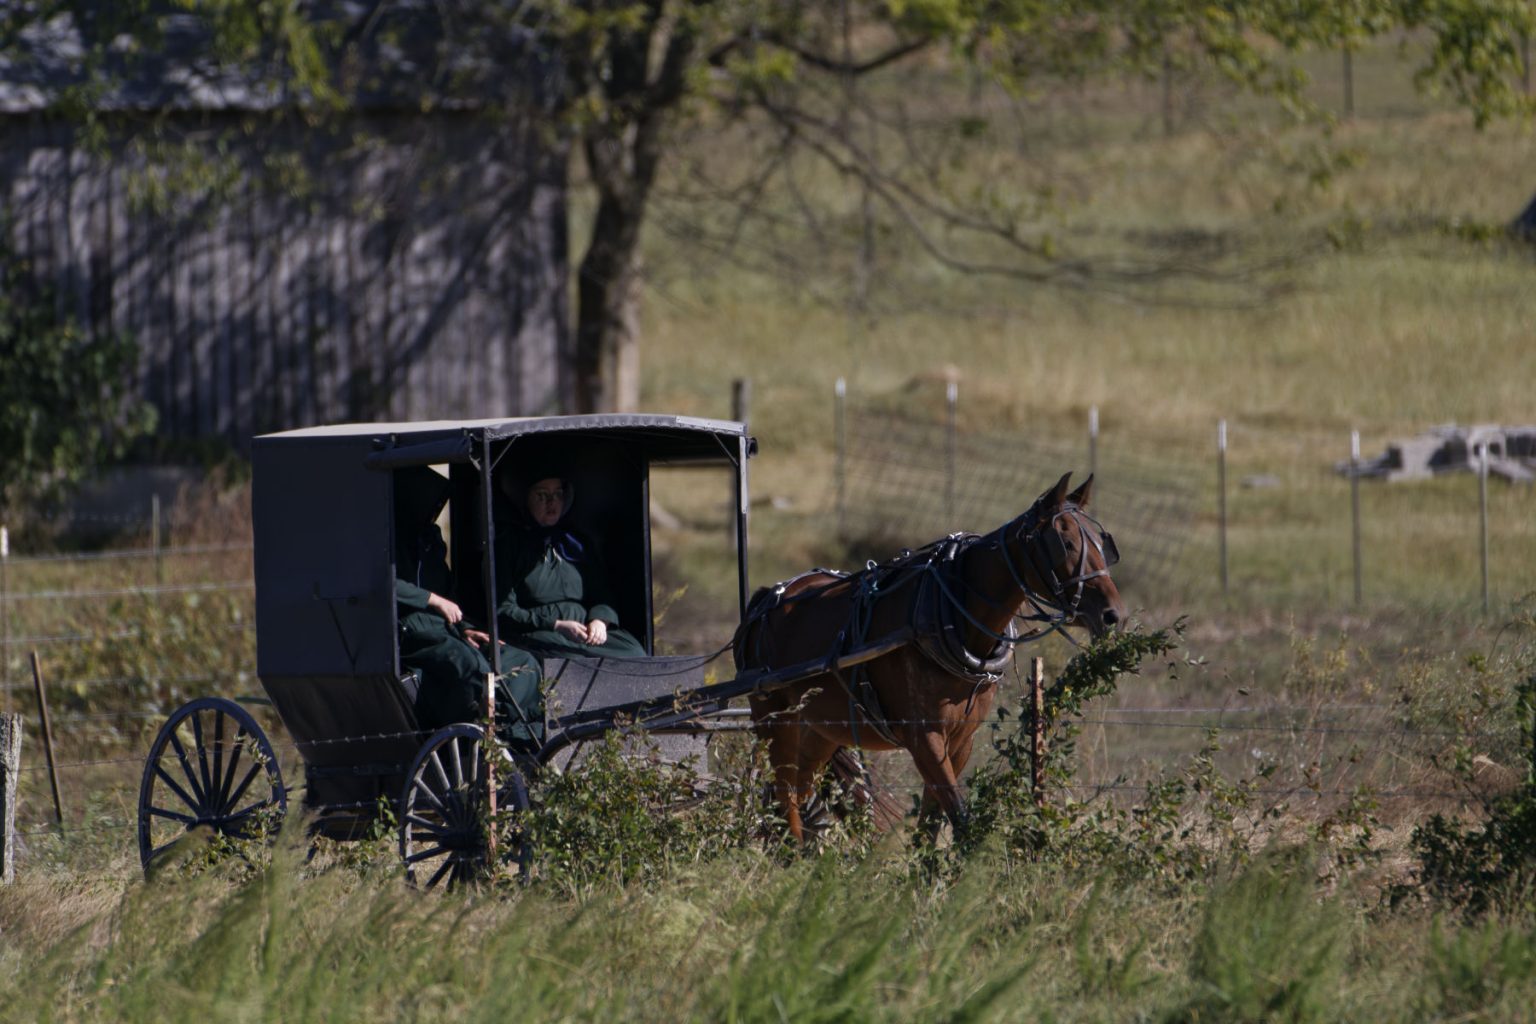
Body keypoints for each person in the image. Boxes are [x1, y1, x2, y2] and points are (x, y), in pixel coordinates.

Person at [394, 466, 545, 754]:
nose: (435, 509)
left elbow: (448, 594)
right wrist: (431, 600)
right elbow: (385, 584)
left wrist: (466, 629)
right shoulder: (389, 543)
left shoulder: (430, 540)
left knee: (522, 661)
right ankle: (478, 740)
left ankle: (520, 736)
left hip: (446, 628)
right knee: (472, 667)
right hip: (412, 630)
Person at [493, 467, 646, 659]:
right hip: (538, 630)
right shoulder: (507, 545)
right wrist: (557, 625)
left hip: (582, 627)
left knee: (633, 652)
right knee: (573, 658)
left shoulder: (575, 542)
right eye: (542, 495)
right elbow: (504, 610)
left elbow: (601, 592)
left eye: (558, 494)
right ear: (525, 499)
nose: (552, 502)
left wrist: (600, 621)